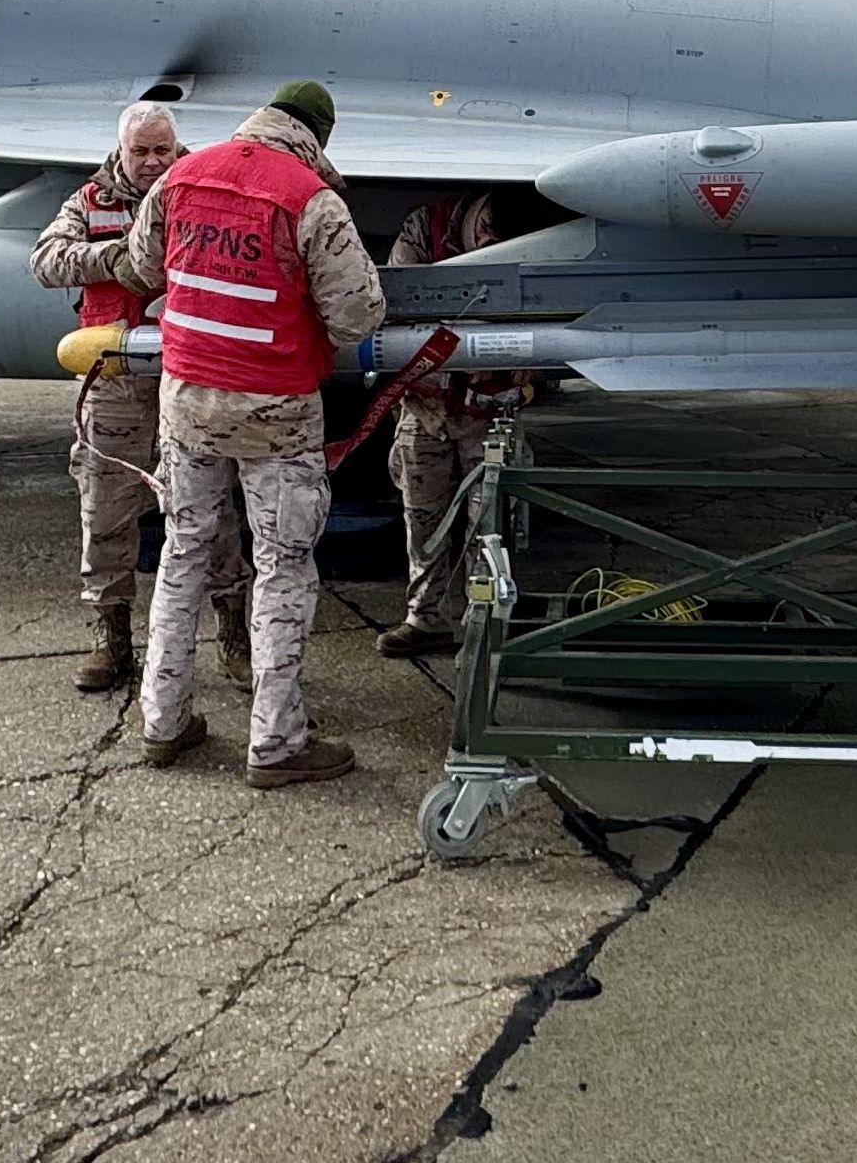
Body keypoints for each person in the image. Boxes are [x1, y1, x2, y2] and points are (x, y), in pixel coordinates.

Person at [114, 80, 386, 788]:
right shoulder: (310, 197)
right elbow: (359, 315)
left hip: (187, 406)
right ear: (315, 137)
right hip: (276, 413)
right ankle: (275, 744)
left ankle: (162, 722)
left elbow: (141, 270)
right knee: (284, 568)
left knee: (182, 557)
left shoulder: (180, 175)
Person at [29, 105, 251, 692]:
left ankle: (235, 634)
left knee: (214, 509)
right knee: (106, 508)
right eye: (141, 152)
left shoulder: (204, 188)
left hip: (192, 376)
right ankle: (112, 640)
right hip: (116, 382)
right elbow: (46, 261)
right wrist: (118, 259)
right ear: (121, 151)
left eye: (162, 150)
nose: (153, 162)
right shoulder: (88, 202)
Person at [375, 190, 534, 659]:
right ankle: (426, 620)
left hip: (490, 416)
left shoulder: (531, 240)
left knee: (489, 525)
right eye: (488, 235)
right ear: (479, 215)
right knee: (423, 518)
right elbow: (401, 298)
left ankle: (483, 625)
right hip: (427, 410)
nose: (491, 248)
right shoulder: (426, 228)